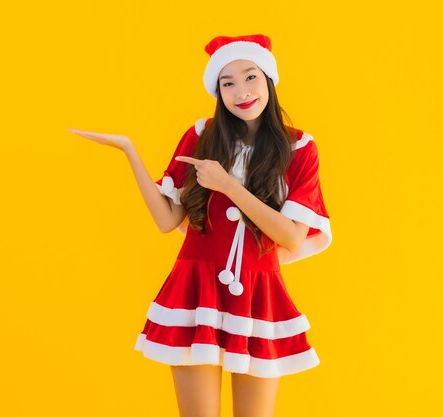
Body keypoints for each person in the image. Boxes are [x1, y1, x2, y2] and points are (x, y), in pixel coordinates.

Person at [69, 34, 332, 417]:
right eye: (228, 83)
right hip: (196, 290)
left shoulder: (299, 148)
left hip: (259, 292)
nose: (241, 91)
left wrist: (227, 185)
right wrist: (129, 151)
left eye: (250, 77)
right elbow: (167, 220)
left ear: (269, 80)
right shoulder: (201, 136)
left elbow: (291, 237)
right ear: (217, 91)